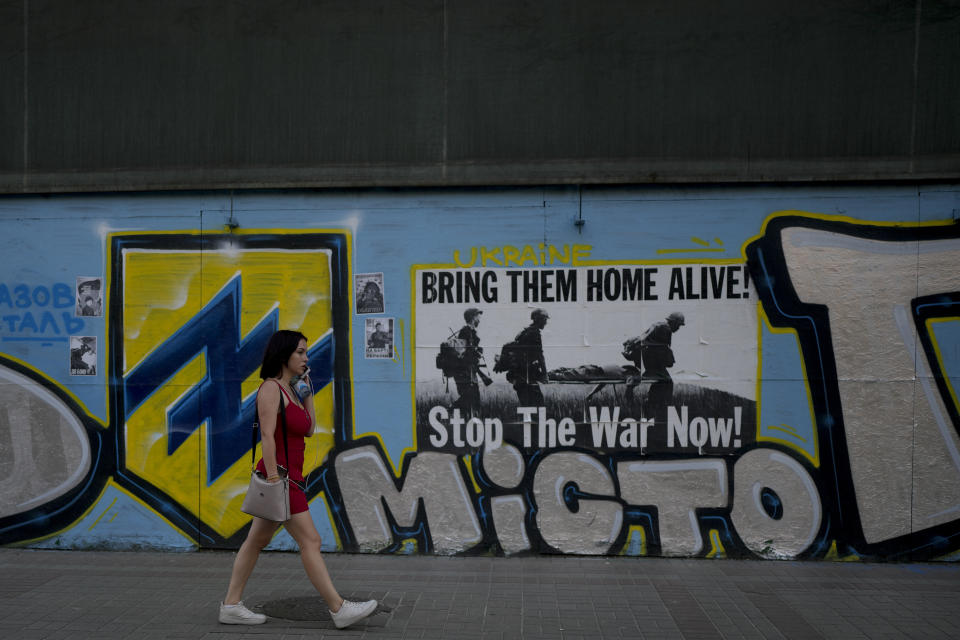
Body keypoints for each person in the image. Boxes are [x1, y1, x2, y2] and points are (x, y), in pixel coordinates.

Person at [220, 330, 378, 629]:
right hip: (280, 477)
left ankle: (230, 605)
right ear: (284, 356)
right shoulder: (270, 389)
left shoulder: (292, 390)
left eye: (306, 352)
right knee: (311, 540)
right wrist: (273, 478)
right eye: (301, 352)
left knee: (256, 541)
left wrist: (308, 394)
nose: (306, 357)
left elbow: (307, 429)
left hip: (292, 477)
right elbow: (267, 436)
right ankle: (338, 608)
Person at [509, 308, 549, 407]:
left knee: (527, 409)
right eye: (544, 319)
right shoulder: (535, 334)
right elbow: (540, 355)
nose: (546, 322)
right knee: (539, 408)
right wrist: (545, 374)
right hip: (527, 379)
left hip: (519, 378)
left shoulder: (523, 333)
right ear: (538, 319)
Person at [453, 308, 484, 417]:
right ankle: (452, 409)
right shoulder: (465, 331)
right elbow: (460, 353)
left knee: (474, 399)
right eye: (478, 316)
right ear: (472, 317)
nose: (479, 320)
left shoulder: (471, 332)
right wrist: (473, 353)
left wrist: (476, 352)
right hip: (464, 372)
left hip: (470, 371)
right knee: (468, 398)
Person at [639, 312, 685, 382]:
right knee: (667, 382)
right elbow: (664, 349)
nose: (678, 328)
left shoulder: (659, 325)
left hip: (650, 361)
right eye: (678, 325)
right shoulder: (666, 329)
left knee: (666, 383)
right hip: (654, 364)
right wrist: (670, 360)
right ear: (674, 322)